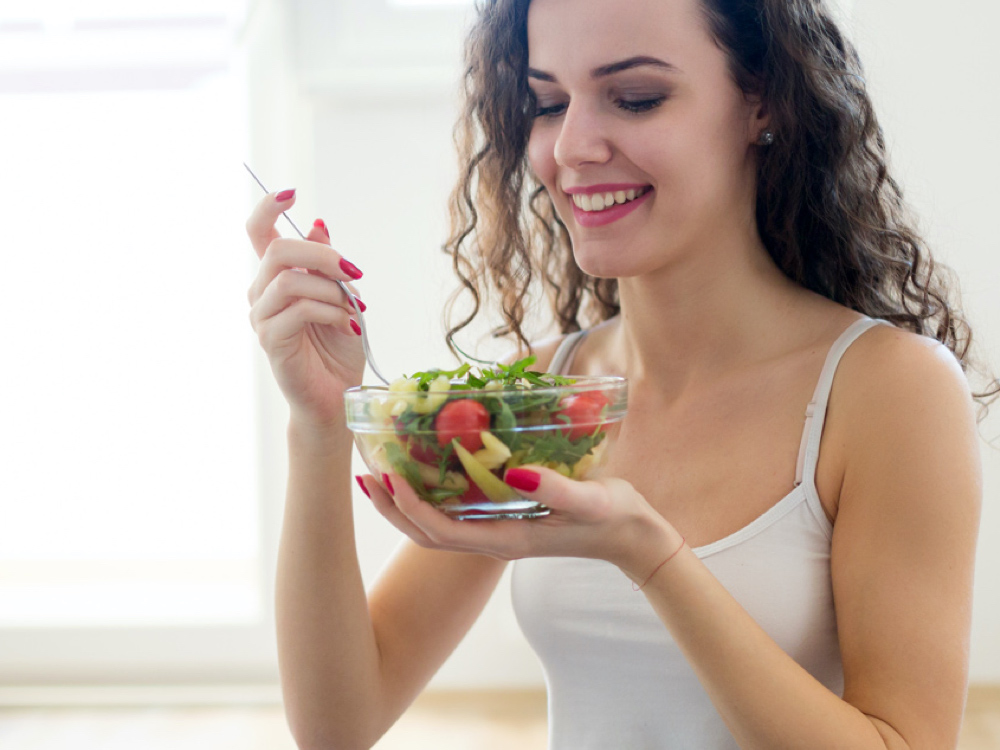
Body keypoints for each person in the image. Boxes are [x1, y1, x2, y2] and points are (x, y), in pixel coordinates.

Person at [244, 0, 995, 747]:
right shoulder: (542, 399)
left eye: (635, 98)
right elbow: (338, 725)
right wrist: (318, 422)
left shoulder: (888, 392)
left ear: (761, 97)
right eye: (546, 103)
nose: (571, 146)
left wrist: (650, 555)